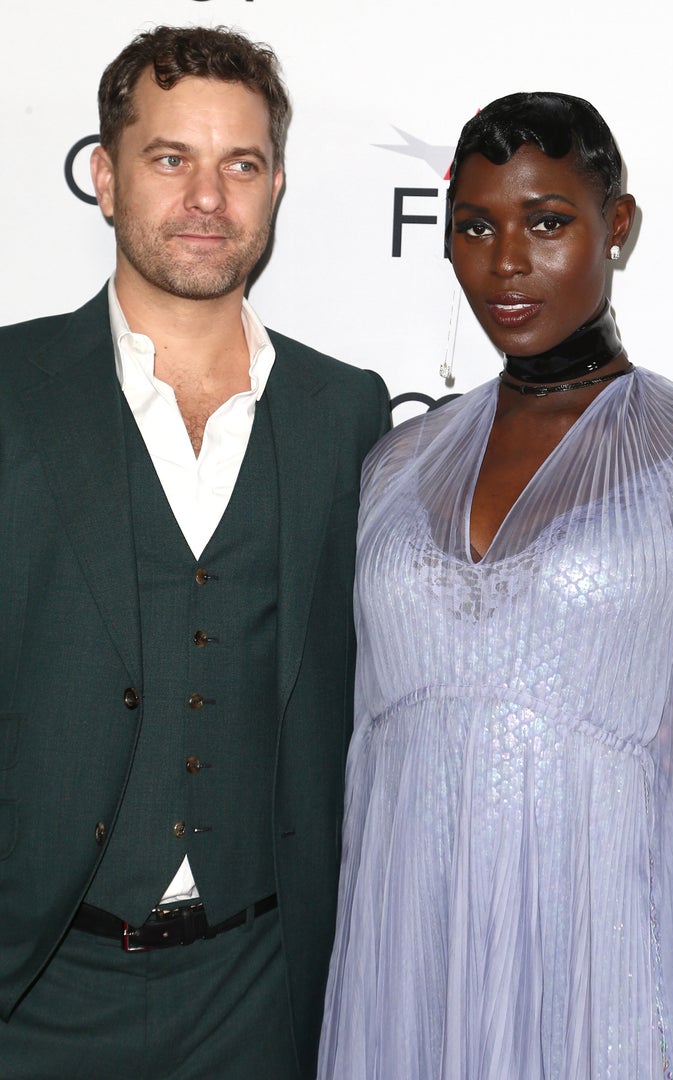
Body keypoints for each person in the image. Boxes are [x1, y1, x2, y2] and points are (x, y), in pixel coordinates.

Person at [0, 24, 389, 1080]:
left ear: (276, 188)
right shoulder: (10, 388)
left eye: (241, 164)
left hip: (260, 995)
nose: (207, 198)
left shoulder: (347, 412)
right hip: (37, 990)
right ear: (105, 177)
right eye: (171, 158)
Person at [318, 92, 673, 1079]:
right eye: (475, 227)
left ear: (615, 225)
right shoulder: (395, 463)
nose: (506, 262)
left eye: (546, 222)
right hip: (405, 945)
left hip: (611, 957)